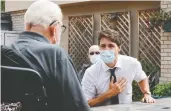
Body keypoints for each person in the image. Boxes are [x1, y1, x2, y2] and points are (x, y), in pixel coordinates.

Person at [5, 0, 90, 111]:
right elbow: (78, 106)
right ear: (54, 28)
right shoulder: (55, 55)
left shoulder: (4, 53)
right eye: (61, 28)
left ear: (26, 25)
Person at [81, 29, 155, 107]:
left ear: (119, 48)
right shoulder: (91, 72)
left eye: (111, 46)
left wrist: (146, 94)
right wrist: (109, 94)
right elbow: (86, 104)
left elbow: (142, 78)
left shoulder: (131, 64)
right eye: (103, 46)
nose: (106, 49)